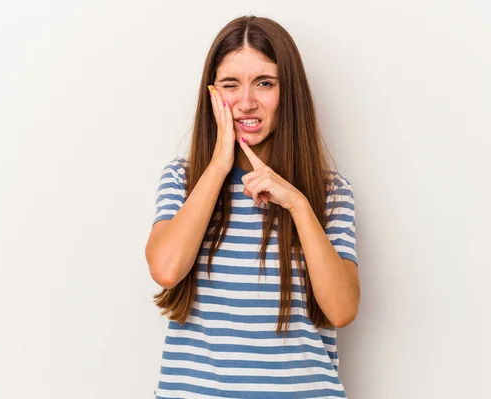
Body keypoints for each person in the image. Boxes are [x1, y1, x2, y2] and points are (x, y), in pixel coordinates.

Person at [145, 15, 360, 399]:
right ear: (212, 94)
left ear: (287, 92)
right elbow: (165, 269)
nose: (246, 102)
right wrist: (218, 167)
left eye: (264, 83)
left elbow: (341, 309)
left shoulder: (329, 193)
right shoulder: (184, 180)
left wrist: (296, 203)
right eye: (231, 84)